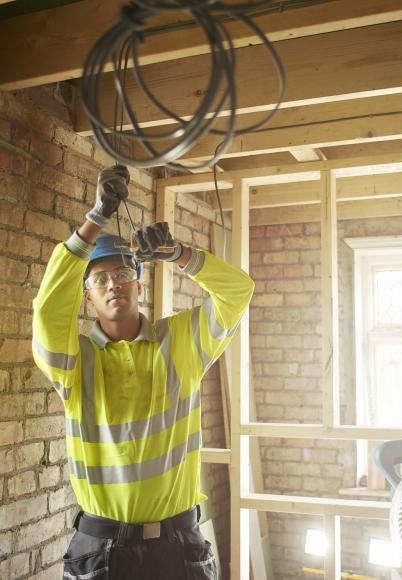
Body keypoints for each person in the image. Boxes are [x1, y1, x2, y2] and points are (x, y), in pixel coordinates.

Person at [32, 165, 254, 579]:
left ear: (138, 283)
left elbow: (238, 291)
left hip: (178, 546)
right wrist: (96, 217)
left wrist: (177, 254)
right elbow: (47, 310)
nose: (113, 284)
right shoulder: (75, 362)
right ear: (88, 297)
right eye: (101, 279)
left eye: (122, 274)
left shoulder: (181, 342)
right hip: (102, 550)